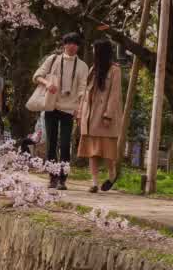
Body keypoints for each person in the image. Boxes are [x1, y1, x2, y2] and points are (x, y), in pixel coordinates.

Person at [33, 33, 88, 190]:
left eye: (76, 44)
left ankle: (63, 178)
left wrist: (79, 107)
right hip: (51, 106)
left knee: (65, 144)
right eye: (69, 43)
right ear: (64, 44)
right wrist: (47, 83)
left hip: (69, 109)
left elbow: (83, 88)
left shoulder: (82, 66)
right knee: (51, 143)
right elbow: (37, 75)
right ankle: (52, 177)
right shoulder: (53, 59)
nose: (72, 46)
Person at [78, 39, 122, 192]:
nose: (92, 52)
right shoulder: (93, 69)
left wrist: (108, 114)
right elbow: (85, 94)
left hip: (104, 117)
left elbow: (115, 94)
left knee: (108, 152)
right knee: (92, 151)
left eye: (95, 49)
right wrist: (80, 113)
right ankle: (94, 182)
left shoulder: (115, 70)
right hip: (90, 116)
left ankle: (112, 175)